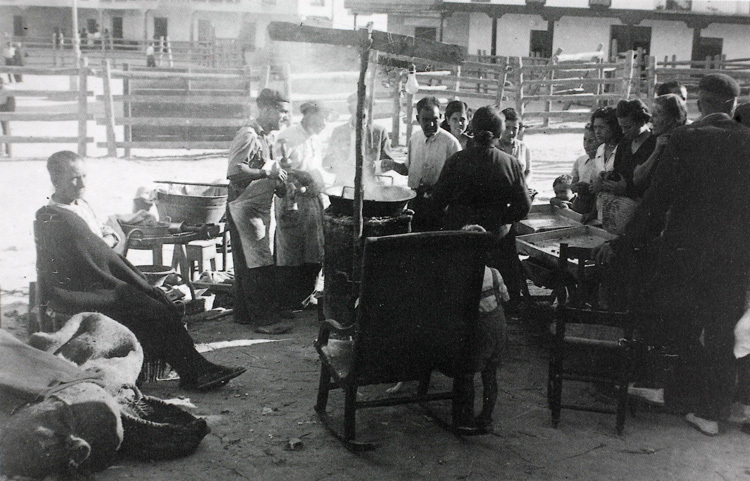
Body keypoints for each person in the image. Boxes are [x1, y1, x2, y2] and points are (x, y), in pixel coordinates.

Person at [594, 73, 750, 436]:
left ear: (700, 102)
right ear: (731, 103)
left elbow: (655, 202)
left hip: (686, 250)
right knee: (721, 330)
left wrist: (621, 243)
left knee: (672, 318)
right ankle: (712, 411)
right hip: (735, 256)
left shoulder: (687, 138)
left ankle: (675, 394)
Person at [36, 151, 246, 391]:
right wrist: (109, 242)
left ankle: (194, 369)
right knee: (154, 309)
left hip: (99, 280)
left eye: (84, 176)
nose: (82, 184)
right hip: (81, 291)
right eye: (74, 178)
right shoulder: (54, 217)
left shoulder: (80, 206)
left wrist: (108, 238)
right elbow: (96, 254)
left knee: (157, 301)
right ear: (55, 180)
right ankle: (194, 371)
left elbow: (104, 238)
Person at [432, 105, 531, 307]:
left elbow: (437, 202)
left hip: (461, 239)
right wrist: (501, 219)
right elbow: (523, 207)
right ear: (500, 131)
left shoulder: (456, 161)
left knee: (459, 299)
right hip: (495, 240)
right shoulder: (510, 163)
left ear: (473, 129)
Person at [226, 88, 290, 329]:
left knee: (249, 261)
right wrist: (265, 173)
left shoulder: (266, 137)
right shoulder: (248, 134)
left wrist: (278, 183)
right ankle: (265, 320)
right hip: (245, 206)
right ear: (265, 109)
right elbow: (234, 171)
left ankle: (244, 315)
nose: (285, 117)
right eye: (282, 111)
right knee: (259, 263)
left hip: (258, 206)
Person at [273, 101, 329, 310]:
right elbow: (280, 169)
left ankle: (306, 295)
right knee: (290, 250)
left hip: (312, 200)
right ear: (309, 115)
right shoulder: (288, 137)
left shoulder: (315, 138)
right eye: (322, 118)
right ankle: (287, 301)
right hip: (291, 199)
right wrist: (303, 177)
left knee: (314, 249)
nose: (324, 124)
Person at [381, 96, 461, 231]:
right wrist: (392, 165)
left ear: (441, 117)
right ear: (418, 119)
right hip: (416, 201)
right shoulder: (415, 139)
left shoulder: (451, 143)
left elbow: (459, 180)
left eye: (435, 119)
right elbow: (408, 169)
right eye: (426, 120)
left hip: (439, 203)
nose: (430, 124)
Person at [322, 92, 393, 187]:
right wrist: (339, 167)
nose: (362, 114)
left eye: (366, 110)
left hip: (371, 184)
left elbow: (389, 162)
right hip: (344, 182)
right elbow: (327, 161)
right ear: (351, 110)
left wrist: (375, 167)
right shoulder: (338, 131)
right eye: (358, 111)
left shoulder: (379, 132)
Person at [633, 94, 688, 191]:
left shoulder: (685, 141)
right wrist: (656, 151)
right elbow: (637, 178)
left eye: (655, 115)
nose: (650, 120)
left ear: (671, 119)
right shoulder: (652, 140)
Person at [569, 123, 601, 214]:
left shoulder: (601, 162)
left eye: (591, 141)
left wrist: (588, 188)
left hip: (594, 206)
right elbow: (573, 183)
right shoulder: (580, 161)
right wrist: (574, 186)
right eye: (584, 140)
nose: (586, 144)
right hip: (581, 202)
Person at [497, 107, 531, 181]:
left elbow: (528, 171)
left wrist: (524, 185)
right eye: (507, 127)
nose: (511, 133)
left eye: (515, 128)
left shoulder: (523, 147)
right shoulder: (494, 147)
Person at [0, 77, 15, 157]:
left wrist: (10, 114)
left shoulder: (8, 90)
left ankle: (8, 150)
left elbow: (12, 103)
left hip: (4, 108)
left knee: (6, 130)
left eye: (1, 83)